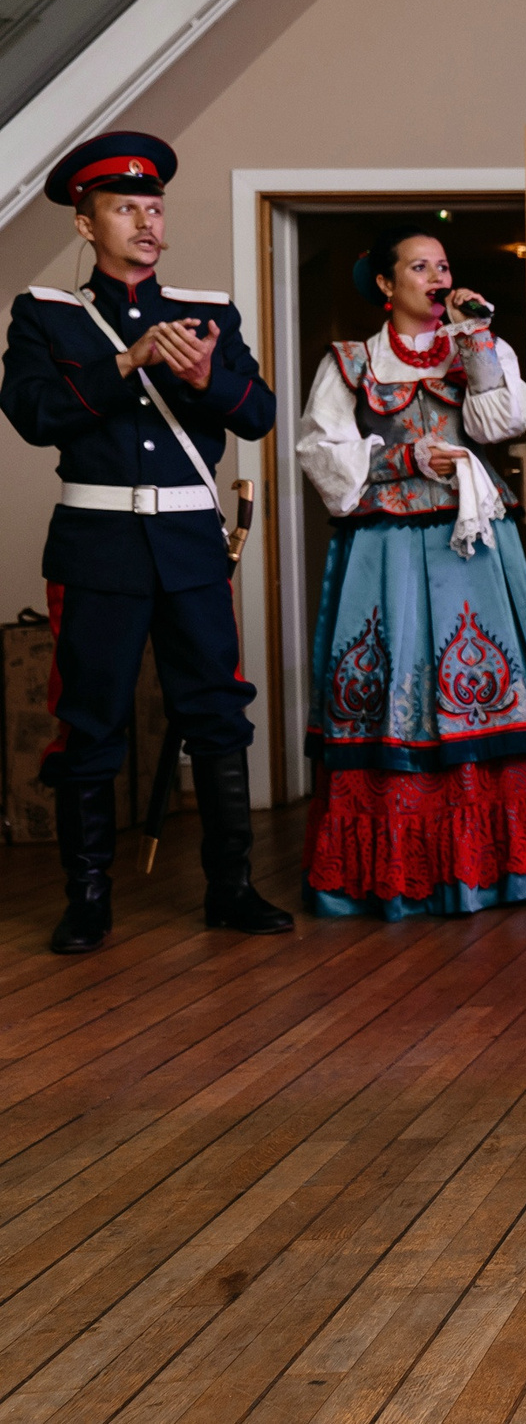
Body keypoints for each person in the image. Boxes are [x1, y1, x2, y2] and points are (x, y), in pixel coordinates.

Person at [2, 132, 291, 954]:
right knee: (89, 720)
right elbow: (32, 414)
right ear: (86, 224)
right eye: (125, 208)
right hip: (96, 547)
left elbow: (260, 415)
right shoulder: (45, 314)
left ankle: (230, 888)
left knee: (217, 713)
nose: (146, 221)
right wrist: (125, 361)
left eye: (154, 207)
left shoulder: (210, 310)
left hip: (190, 543)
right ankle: (87, 899)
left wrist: (205, 377)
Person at [295, 229, 526, 915]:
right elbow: (322, 454)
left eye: (443, 264)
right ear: (385, 283)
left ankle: (504, 867)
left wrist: (478, 338)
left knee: (482, 690)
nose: (435, 274)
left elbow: (502, 422)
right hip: (387, 545)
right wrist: (401, 461)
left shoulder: (476, 344)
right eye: (419, 265)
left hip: (471, 544)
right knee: (397, 687)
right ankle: (405, 873)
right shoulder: (350, 362)